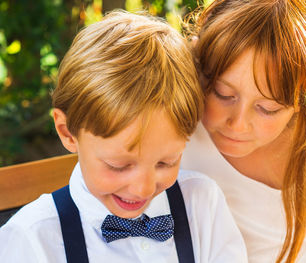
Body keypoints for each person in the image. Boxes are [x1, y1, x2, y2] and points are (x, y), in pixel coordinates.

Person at [0, 11, 248, 262]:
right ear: (68, 133)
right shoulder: (32, 239)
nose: (143, 188)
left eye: (166, 162)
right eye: (118, 165)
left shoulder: (202, 206)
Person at [181, 0, 306, 262]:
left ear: (302, 103)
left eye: (267, 108)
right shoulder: (178, 134)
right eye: (222, 93)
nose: (238, 124)